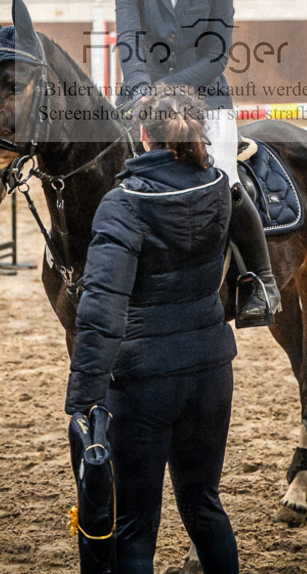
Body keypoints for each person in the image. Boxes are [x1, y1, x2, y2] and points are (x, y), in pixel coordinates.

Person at [65, 85, 239, 574]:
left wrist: (82, 400)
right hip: (212, 373)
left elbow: (101, 310)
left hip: (144, 385)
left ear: (141, 135)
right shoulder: (220, 186)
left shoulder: (121, 205)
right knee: (205, 506)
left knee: (135, 527)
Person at [114, 0, 281, 326]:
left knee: (227, 180)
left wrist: (168, 92)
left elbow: (216, 55)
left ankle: (259, 280)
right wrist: (142, 90)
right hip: (141, 96)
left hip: (206, 98)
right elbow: (128, 40)